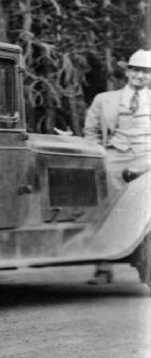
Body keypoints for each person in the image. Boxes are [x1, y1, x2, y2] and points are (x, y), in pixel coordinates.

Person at [83, 48, 151, 284]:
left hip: (148, 157)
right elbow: (91, 131)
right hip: (115, 157)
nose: (140, 76)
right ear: (128, 72)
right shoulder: (105, 99)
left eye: (146, 72)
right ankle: (103, 264)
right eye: (136, 70)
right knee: (109, 207)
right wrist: (100, 155)